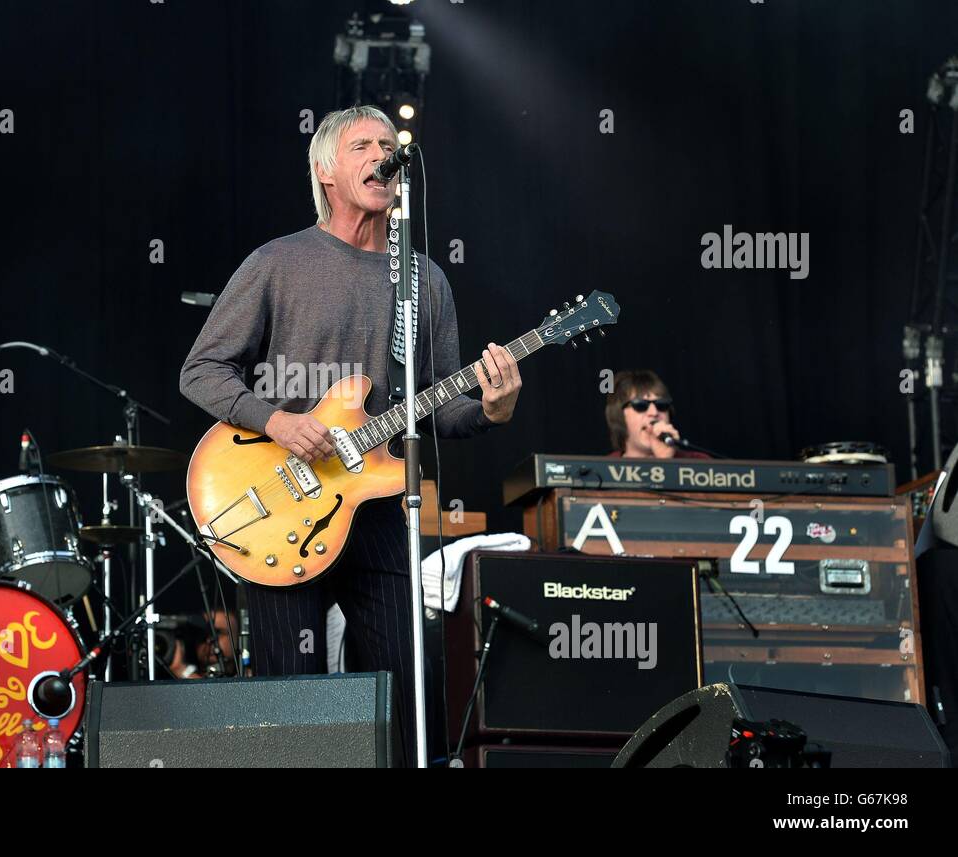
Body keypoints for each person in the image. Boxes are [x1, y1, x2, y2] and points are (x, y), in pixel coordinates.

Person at [179, 105, 521, 764]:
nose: (381, 154)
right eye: (362, 144)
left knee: (405, 693)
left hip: (378, 509)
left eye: (389, 144)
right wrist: (276, 419)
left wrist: (494, 410)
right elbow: (201, 371)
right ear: (325, 171)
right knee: (292, 701)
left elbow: (439, 409)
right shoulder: (276, 262)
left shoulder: (425, 279)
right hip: (284, 506)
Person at [604, 369, 708, 459]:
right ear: (619, 415)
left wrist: (666, 464)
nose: (654, 412)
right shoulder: (603, 469)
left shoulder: (700, 463)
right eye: (641, 405)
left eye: (662, 405)